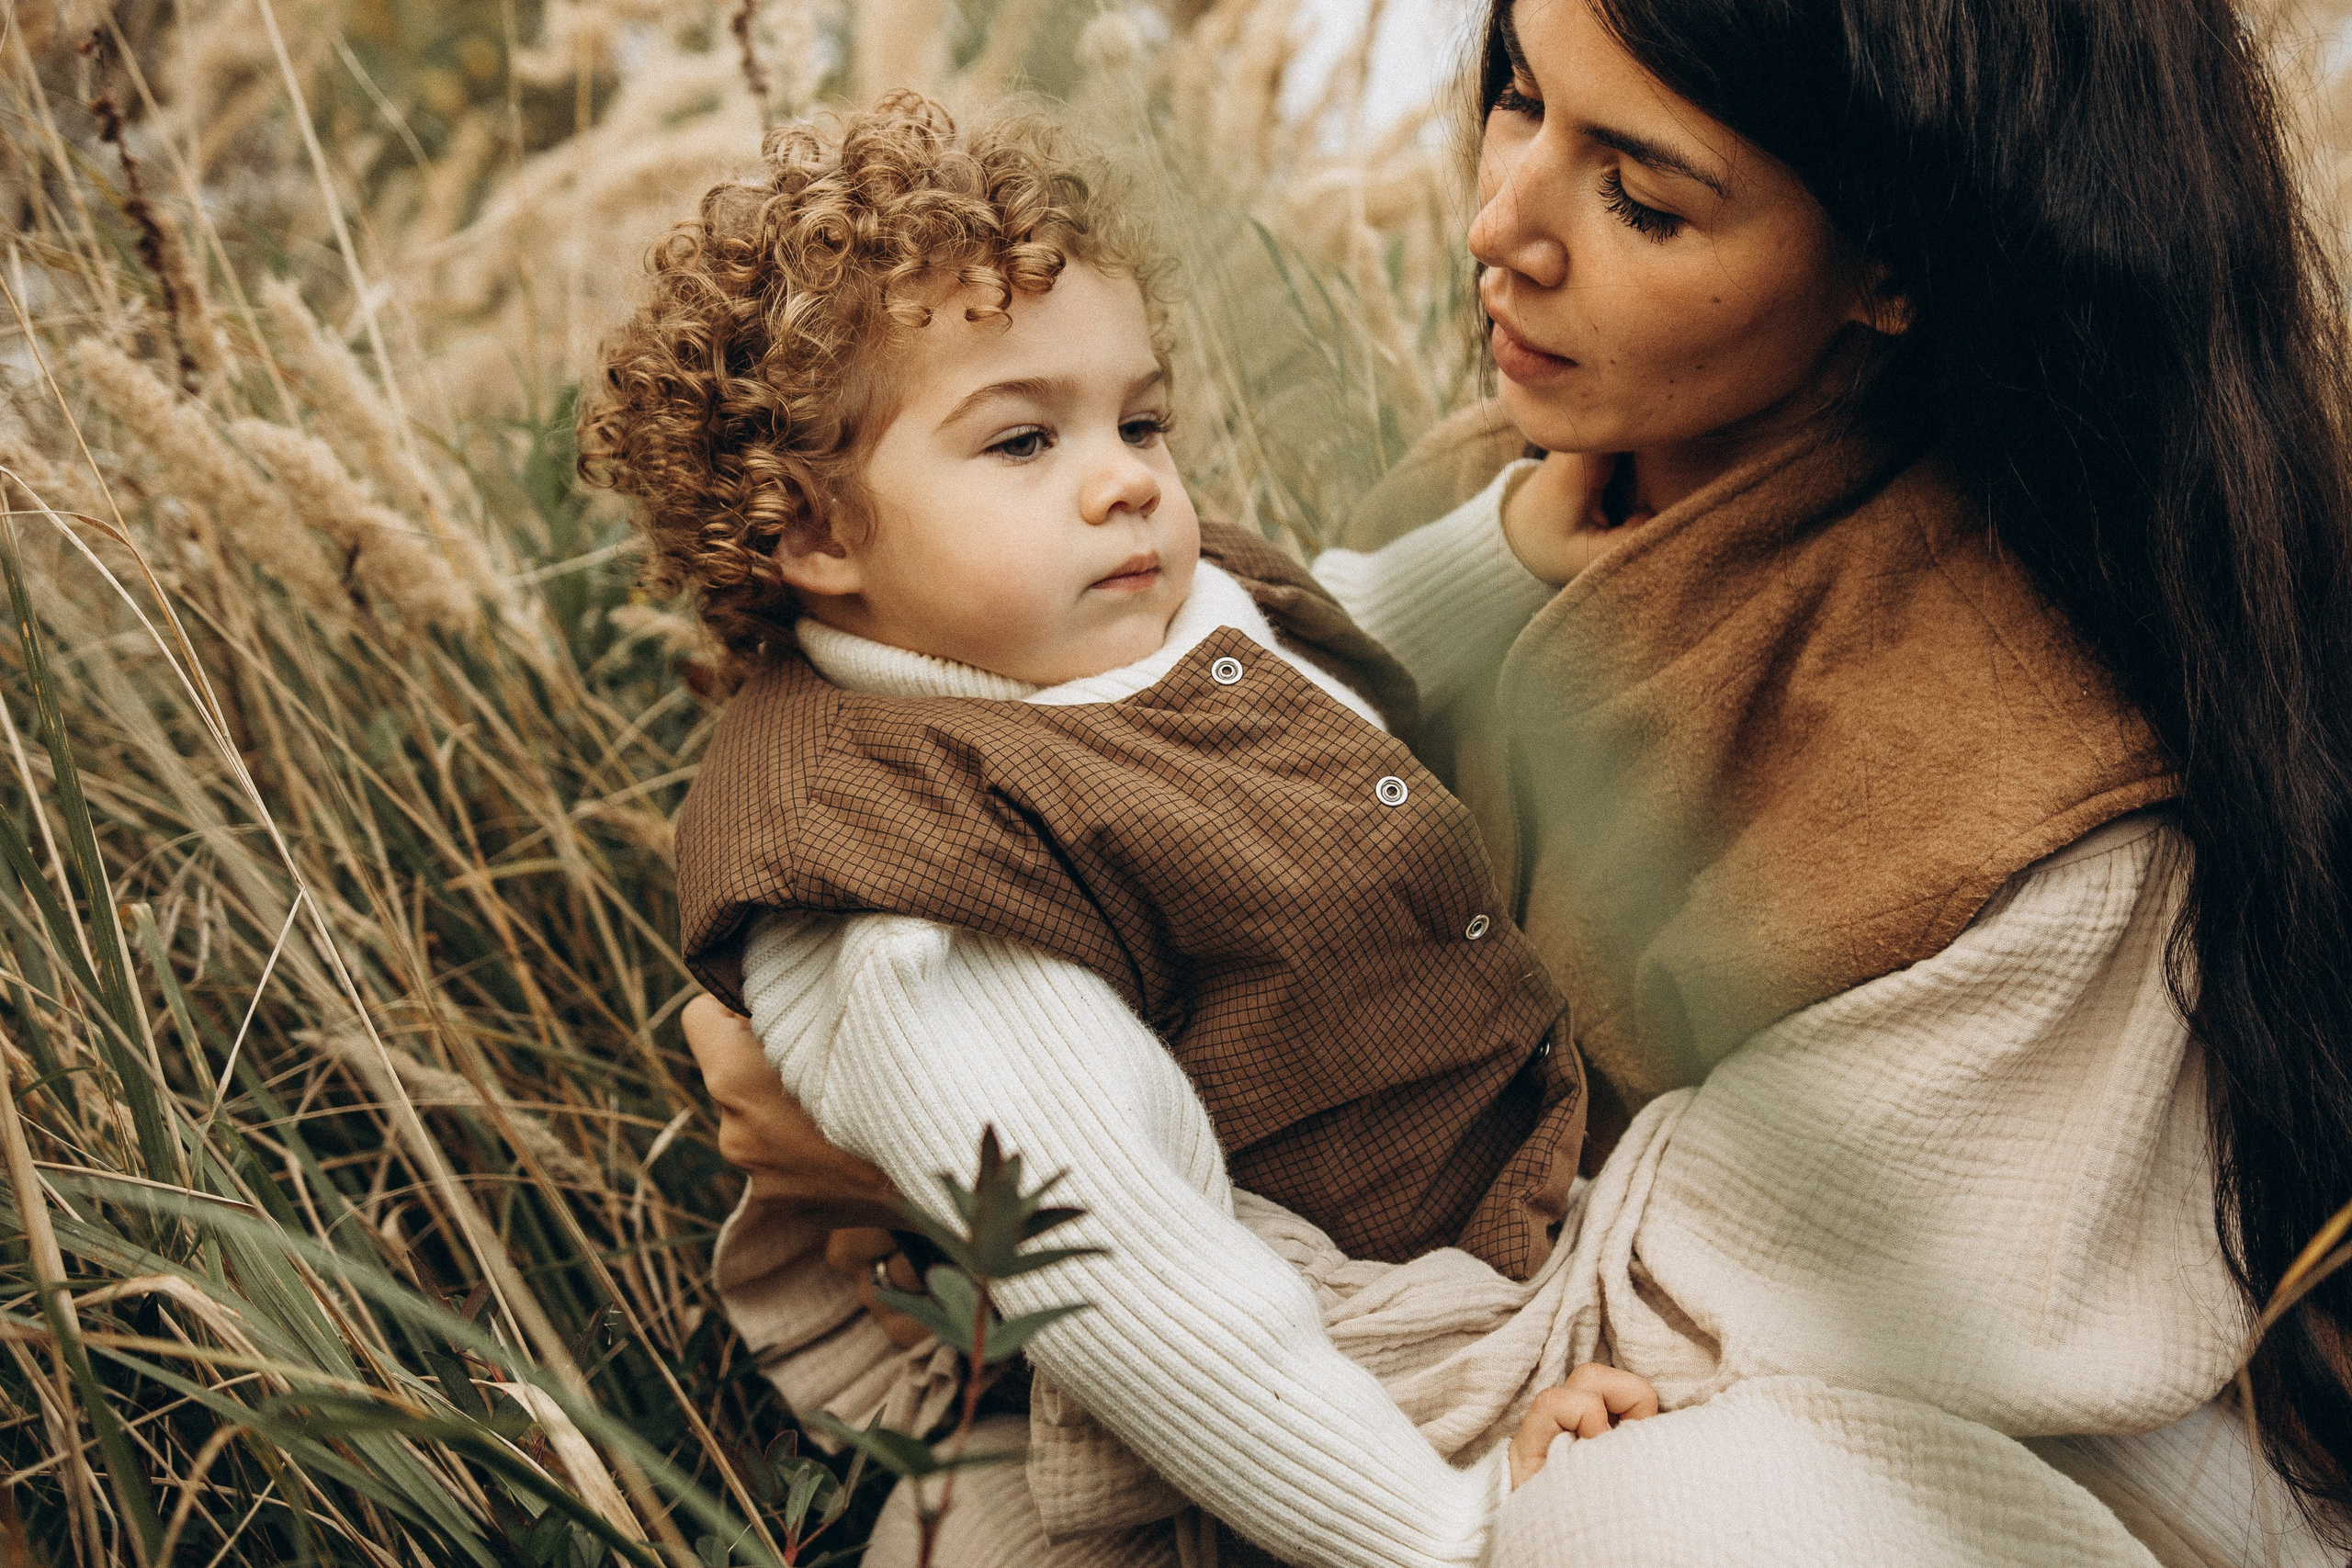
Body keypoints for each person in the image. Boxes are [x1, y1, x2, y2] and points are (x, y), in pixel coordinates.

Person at [683, 0, 2352, 1561]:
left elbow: (1662, 1360)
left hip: (1574, 1425)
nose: (1498, 229)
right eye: (1518, 100)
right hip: (1328, 1399)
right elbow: (1294, 703)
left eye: (1640, 198)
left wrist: (942, 1186)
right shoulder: (1536, 475)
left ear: (1899, 261)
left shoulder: (2036, 801)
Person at [581, 94, 1659, 1568]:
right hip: (1298, 1355)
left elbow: (1276, 676)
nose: (1127, 476)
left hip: (1478, 1193)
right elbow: (1132, 1285)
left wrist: (1505, 553)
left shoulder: (1096, 613)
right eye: (1023, 439)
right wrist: (1448, 1530)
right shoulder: (912, 895)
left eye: (1140, 419)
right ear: (818, 532)